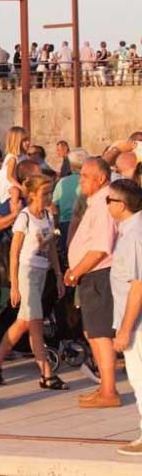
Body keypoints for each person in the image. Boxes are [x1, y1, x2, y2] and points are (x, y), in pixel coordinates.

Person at [0, 175, 67, 390]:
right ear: (32, 195)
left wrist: (59, 274)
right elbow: (14, 252)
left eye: (50, 192)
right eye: (45, 193)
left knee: (24, 321)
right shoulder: (25, 217)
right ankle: (46, 373)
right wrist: (14, 284)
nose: (48, 197)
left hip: (42, 272)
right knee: (35, 323)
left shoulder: (47, 216)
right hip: (27, 272)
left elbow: (50, 246)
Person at [64, 157, 121, 408]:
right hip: (91, 274)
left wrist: (76, 271)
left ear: (100, 179)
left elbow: (100, 248)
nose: (81, 181)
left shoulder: (104, 203)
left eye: (86, 176)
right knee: (92, 332)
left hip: (99, 273)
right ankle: (104, 386)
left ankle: (109, 390)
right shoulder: (96, 202)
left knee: (100, 334)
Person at [107, 179, 142, 456]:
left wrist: (125, 329)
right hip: (133, 319)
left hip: (137, 323)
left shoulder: (134, 235)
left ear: (123, 205)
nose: (107, 205)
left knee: (139, 377)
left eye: (110, 201)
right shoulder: (131, 231)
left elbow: (137, 285)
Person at [0, 126, 29, 207]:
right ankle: (13, 209)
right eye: (24, 140)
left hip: (17, 181)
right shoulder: (12, 158)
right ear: (17, 141)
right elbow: (9, 177)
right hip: (10, 185)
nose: (28, 142)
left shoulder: (23, 156)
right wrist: (21, 188)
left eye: (28, 140)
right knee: (15, 192)